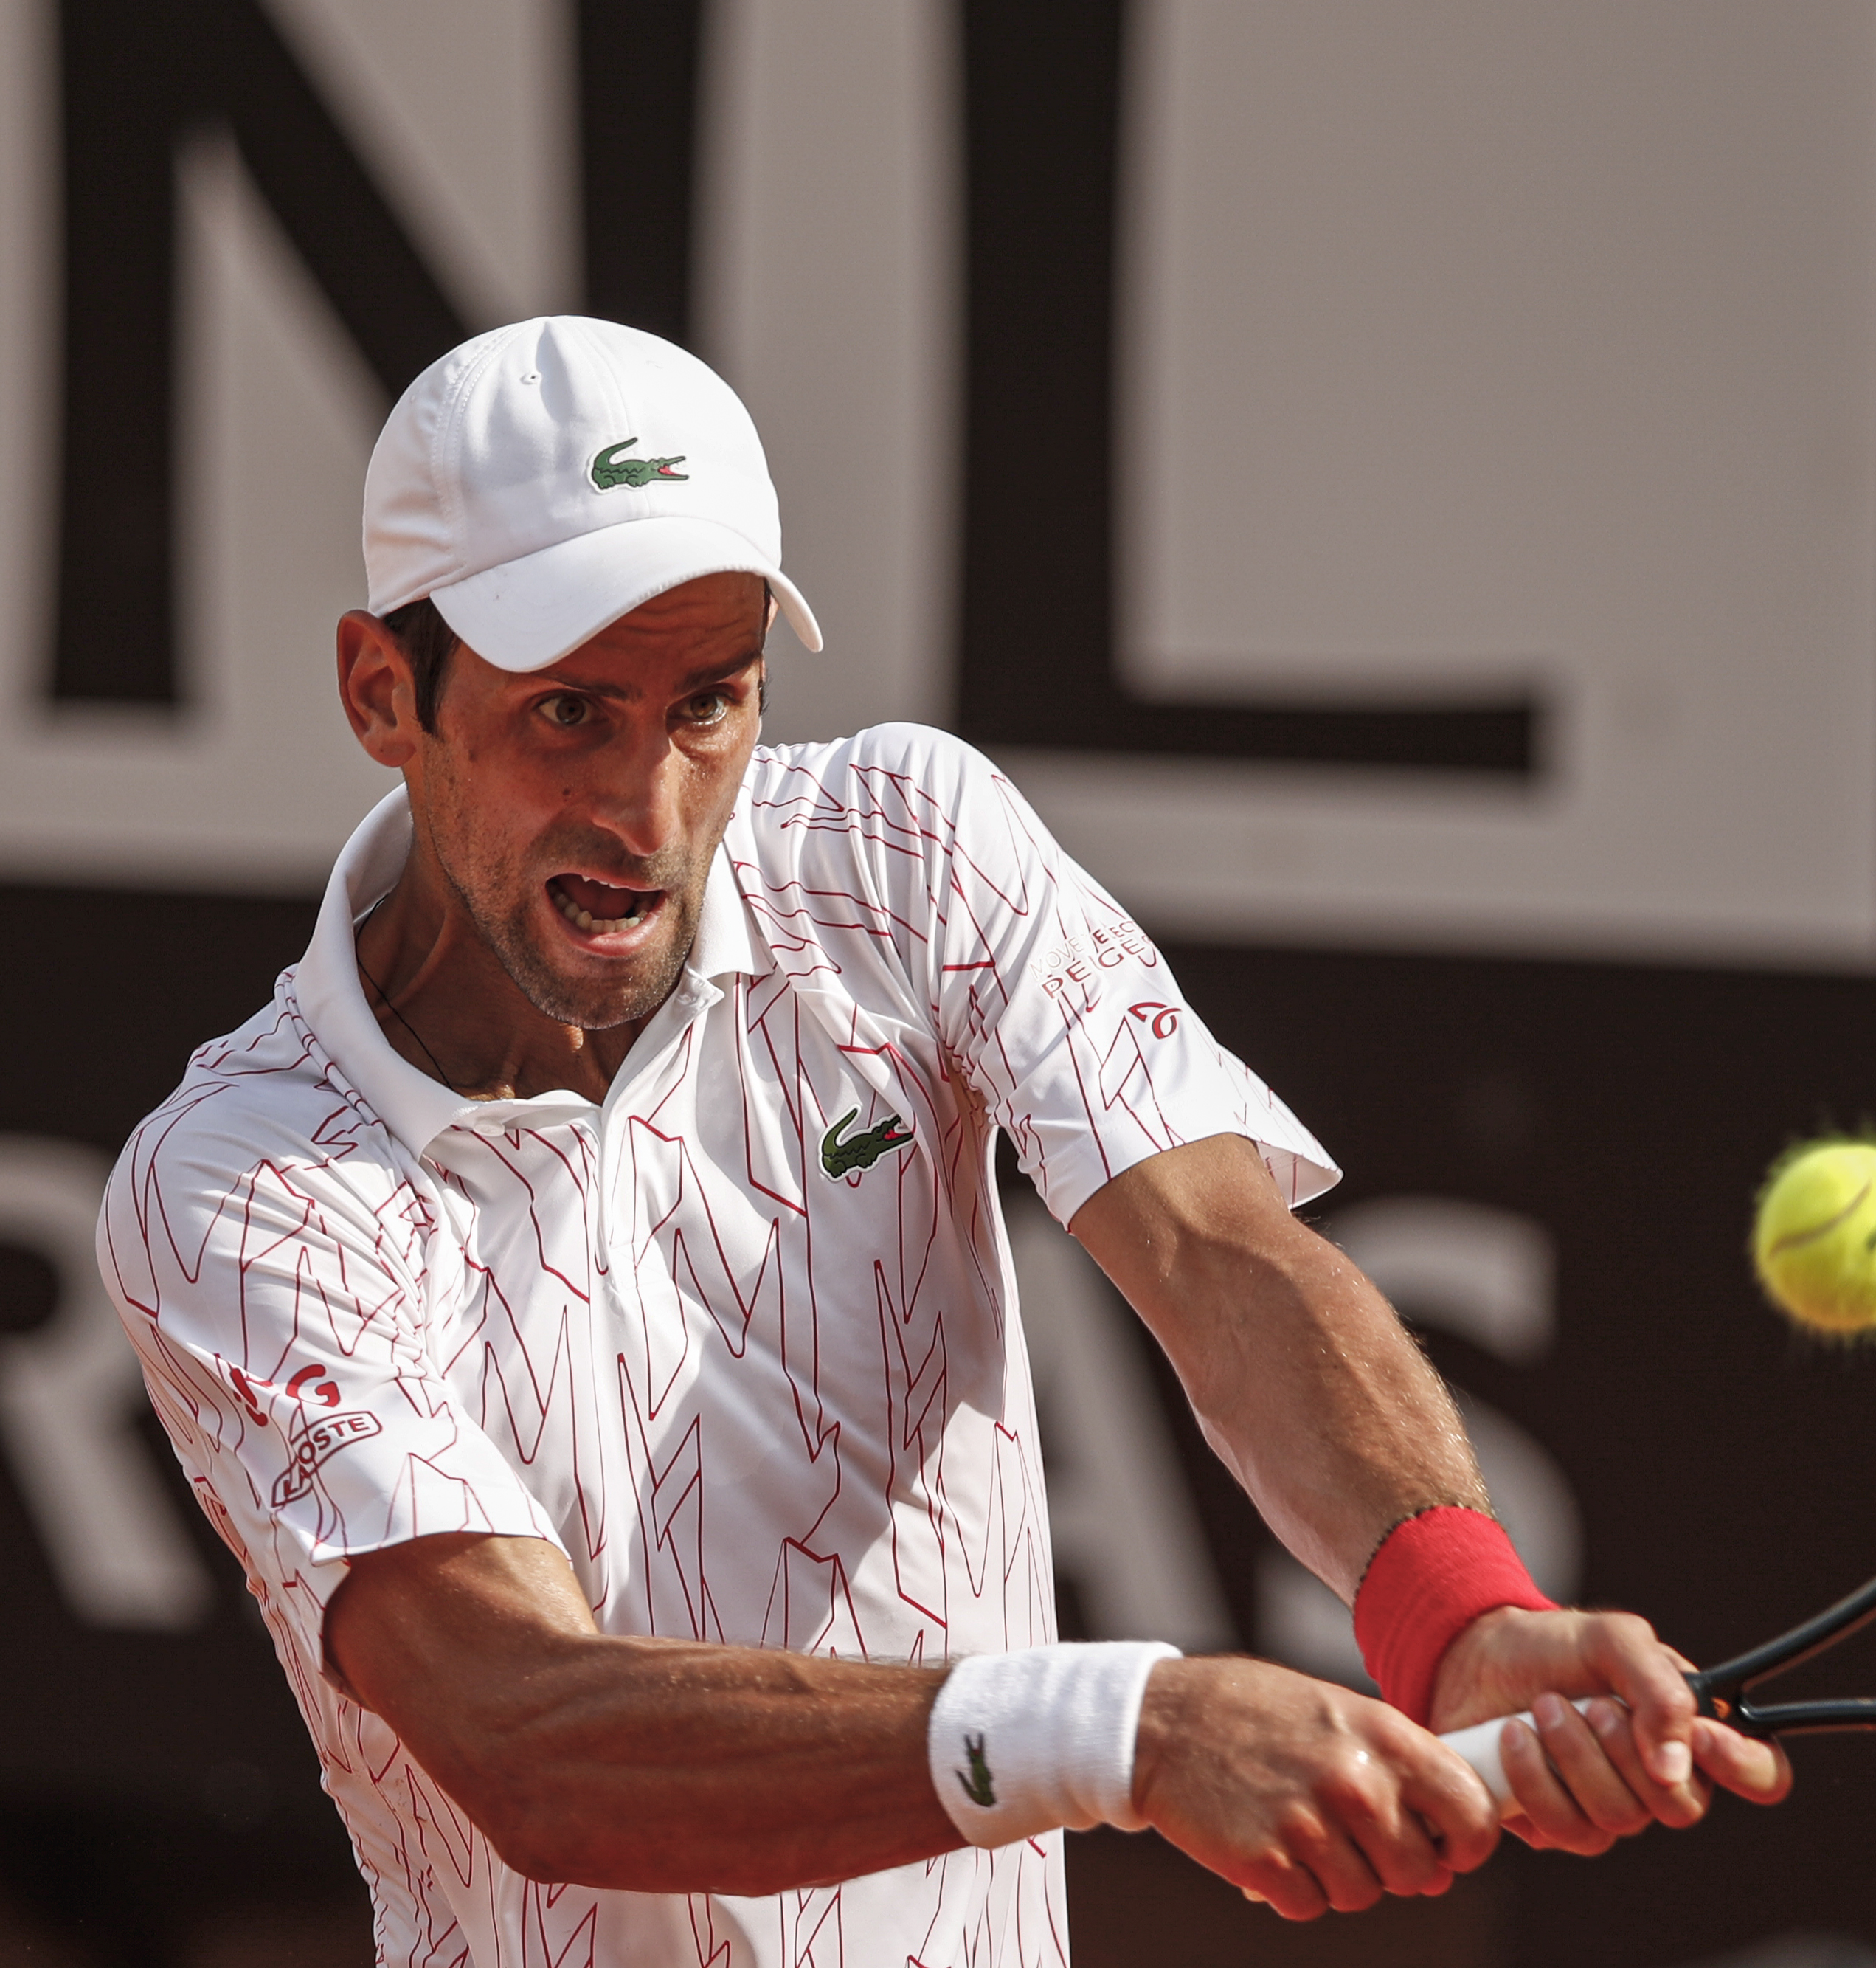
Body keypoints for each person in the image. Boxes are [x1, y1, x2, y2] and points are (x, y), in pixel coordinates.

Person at [97, 316, 1786, 1966]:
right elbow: (528, 1728)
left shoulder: (906, 844)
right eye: (569, 715)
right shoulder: (239, 1184)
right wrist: (1118, 1728)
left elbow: (1212, 1247)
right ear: (382, 690)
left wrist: (1458, 1610)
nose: (650, 810)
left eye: (707, 704)